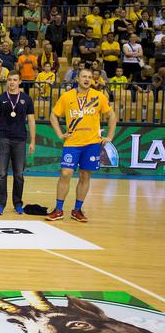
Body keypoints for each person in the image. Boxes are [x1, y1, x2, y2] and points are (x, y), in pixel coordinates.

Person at [47, 69, 117, 222]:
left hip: (91, 143)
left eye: (90, 77)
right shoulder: (67, 96)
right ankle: (58, 210)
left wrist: (110, 136)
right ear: (77, 78)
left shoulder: (98, 96)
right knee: (66, 173)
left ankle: (77, 210)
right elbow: (53, 115)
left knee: (85, 175)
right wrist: (60, 134)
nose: (87, 79)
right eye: (84, 76)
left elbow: (111, 115)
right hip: (72, 143)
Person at [0, 70, 36, 215]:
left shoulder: (27, 99)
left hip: (20, 140)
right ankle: (0, 205)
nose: (12, 82)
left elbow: (31, 121)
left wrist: (33, 141)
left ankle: (17, 204)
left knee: (19, 174)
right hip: (3, 139)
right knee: (1, 174)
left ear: (20, 81)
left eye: (15, 80)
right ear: (7, 81)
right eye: (9, 79)